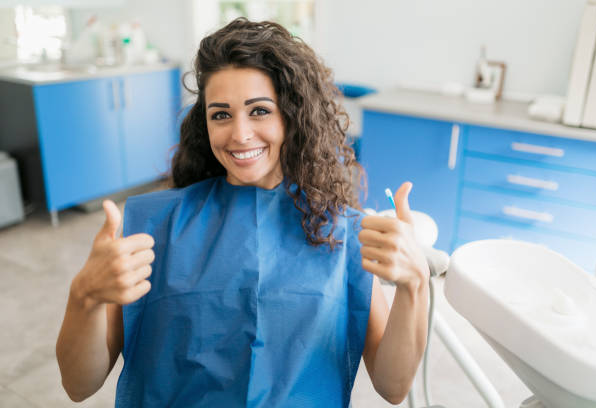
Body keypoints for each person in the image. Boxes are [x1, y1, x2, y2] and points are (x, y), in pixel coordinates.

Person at [56, 18, 430, 407]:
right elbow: (79, 385)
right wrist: (84, 297)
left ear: (292, 115)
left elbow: (392, 386)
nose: (239, 133)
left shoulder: (341, 232)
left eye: (259, 111)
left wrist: (414, 285)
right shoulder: (155, 228)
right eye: (221, 114)